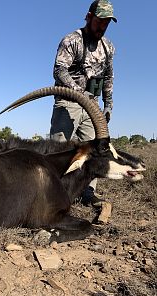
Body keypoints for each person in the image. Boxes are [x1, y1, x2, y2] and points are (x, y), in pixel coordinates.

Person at [50, 0, 117, 206]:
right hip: (68, 102)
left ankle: (87, 192)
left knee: (93, 149)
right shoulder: (72, 40)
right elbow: (59, 70)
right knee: (59, 148)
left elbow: (108, 77)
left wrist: (108, 104)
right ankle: (52, 193)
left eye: (107, 22)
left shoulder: (108, 47)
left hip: (92, 107)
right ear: (88, 17)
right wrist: (80, 93)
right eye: (99, 21)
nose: (102, 27)